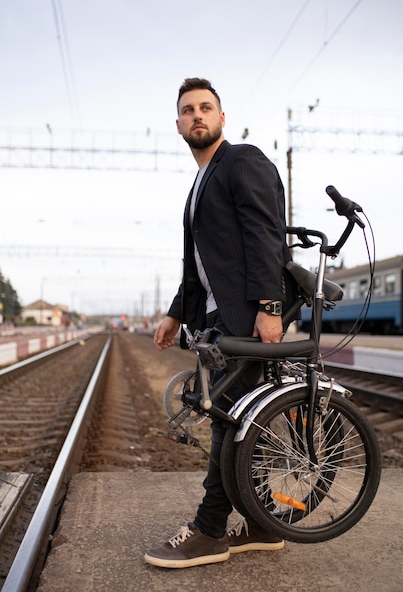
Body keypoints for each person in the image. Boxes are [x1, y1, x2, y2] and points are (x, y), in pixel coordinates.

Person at [144, 78, 296, 569]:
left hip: (245, 319)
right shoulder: (199, 184)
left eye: (206, 108)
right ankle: (262, 524)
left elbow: (265, 236)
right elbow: (204, 266)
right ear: (178, 124)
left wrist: (269, 307)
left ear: (222, 117)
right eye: (188, 110)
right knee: (233, 420)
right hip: (213, 318)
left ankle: (210, 530)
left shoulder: (241, 160)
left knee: (227, 424)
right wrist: (174, 312)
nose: (197, 116)